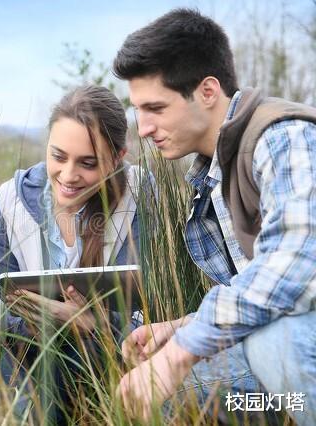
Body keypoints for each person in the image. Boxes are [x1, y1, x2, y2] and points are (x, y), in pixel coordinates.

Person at [112, 8, 316, 424]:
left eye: (155, 107)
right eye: (138, 110)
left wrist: (182, 351)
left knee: (272, 346)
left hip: (295, 340)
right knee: (183, 398)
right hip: (292, 348)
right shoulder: (212, 175)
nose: (144, 128)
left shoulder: (284, 138)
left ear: (207, 91)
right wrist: (181, 327)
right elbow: (257, 289)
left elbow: (294, 267)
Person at [0, 85, 148, 422]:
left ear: (118, 158)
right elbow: (0, 309)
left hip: (116, 359)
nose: (69, 176)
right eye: (58, 156)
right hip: (31, 359)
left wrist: (93, 324)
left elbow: (147, 312)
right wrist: (44, 322)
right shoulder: (6, 205)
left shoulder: (142, 197)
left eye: (88, 163)